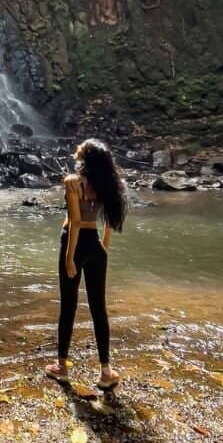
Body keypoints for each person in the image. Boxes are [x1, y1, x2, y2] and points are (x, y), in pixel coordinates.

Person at [44, 138, 127, 390]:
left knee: (68, 306)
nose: (77, 147)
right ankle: (106, 371)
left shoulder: (73, 182)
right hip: (96, 248)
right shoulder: (109, 185)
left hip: (75, 243)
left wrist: (70, 258)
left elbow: (76, 223)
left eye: (82, 147)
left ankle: (61, 367)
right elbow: (109, 223)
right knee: (98, 309)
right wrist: (103, 247)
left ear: (86, 156)